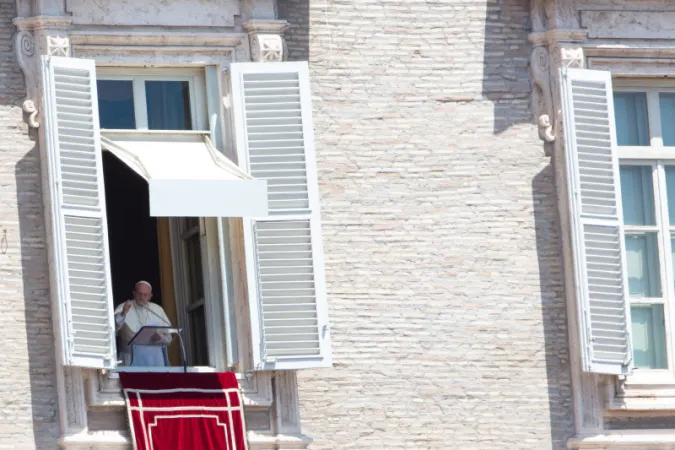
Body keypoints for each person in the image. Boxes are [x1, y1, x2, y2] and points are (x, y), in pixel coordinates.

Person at [114, 280, 172, 366]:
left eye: (145, 295)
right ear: (134, 293)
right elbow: (113, 327)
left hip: (154, 359)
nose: (142, 298)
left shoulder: (157, 310)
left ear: (150, 296)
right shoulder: (123, 307)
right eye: (139, 294)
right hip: (130, 358)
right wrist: (123, 313)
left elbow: (169, 336)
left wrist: (160, 338)